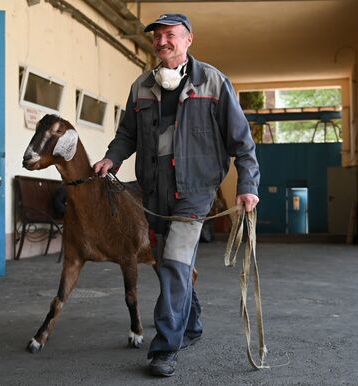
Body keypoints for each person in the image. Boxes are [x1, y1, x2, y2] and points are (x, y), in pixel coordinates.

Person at [94, 13, 260, 377]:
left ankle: (165, 347)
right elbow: (127, 133)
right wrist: (112, 157)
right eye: (157, 37)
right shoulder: (141, 86)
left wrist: (248, 186)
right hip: (153, 191)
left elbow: (242, 143)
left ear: (188, 40)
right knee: (166, 262)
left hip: (195, 191)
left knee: (174, 261)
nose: (162, 41)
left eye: (171, 35)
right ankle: (192, 323)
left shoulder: (214, 83)